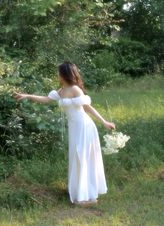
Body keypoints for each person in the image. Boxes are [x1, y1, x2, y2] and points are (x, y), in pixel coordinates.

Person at [13, 61, 116, 206]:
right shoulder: (61, 91)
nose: (57, 75)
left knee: (82, 157)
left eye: (58, 73)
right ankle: (80, 193)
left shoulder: (75, 89)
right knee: (76, 157)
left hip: (84, 127)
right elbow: (46, 99)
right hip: (74, 128)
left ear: (64, 74)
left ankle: (86, 195)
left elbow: (87, 108)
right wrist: (27, 96)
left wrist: (104, 122)